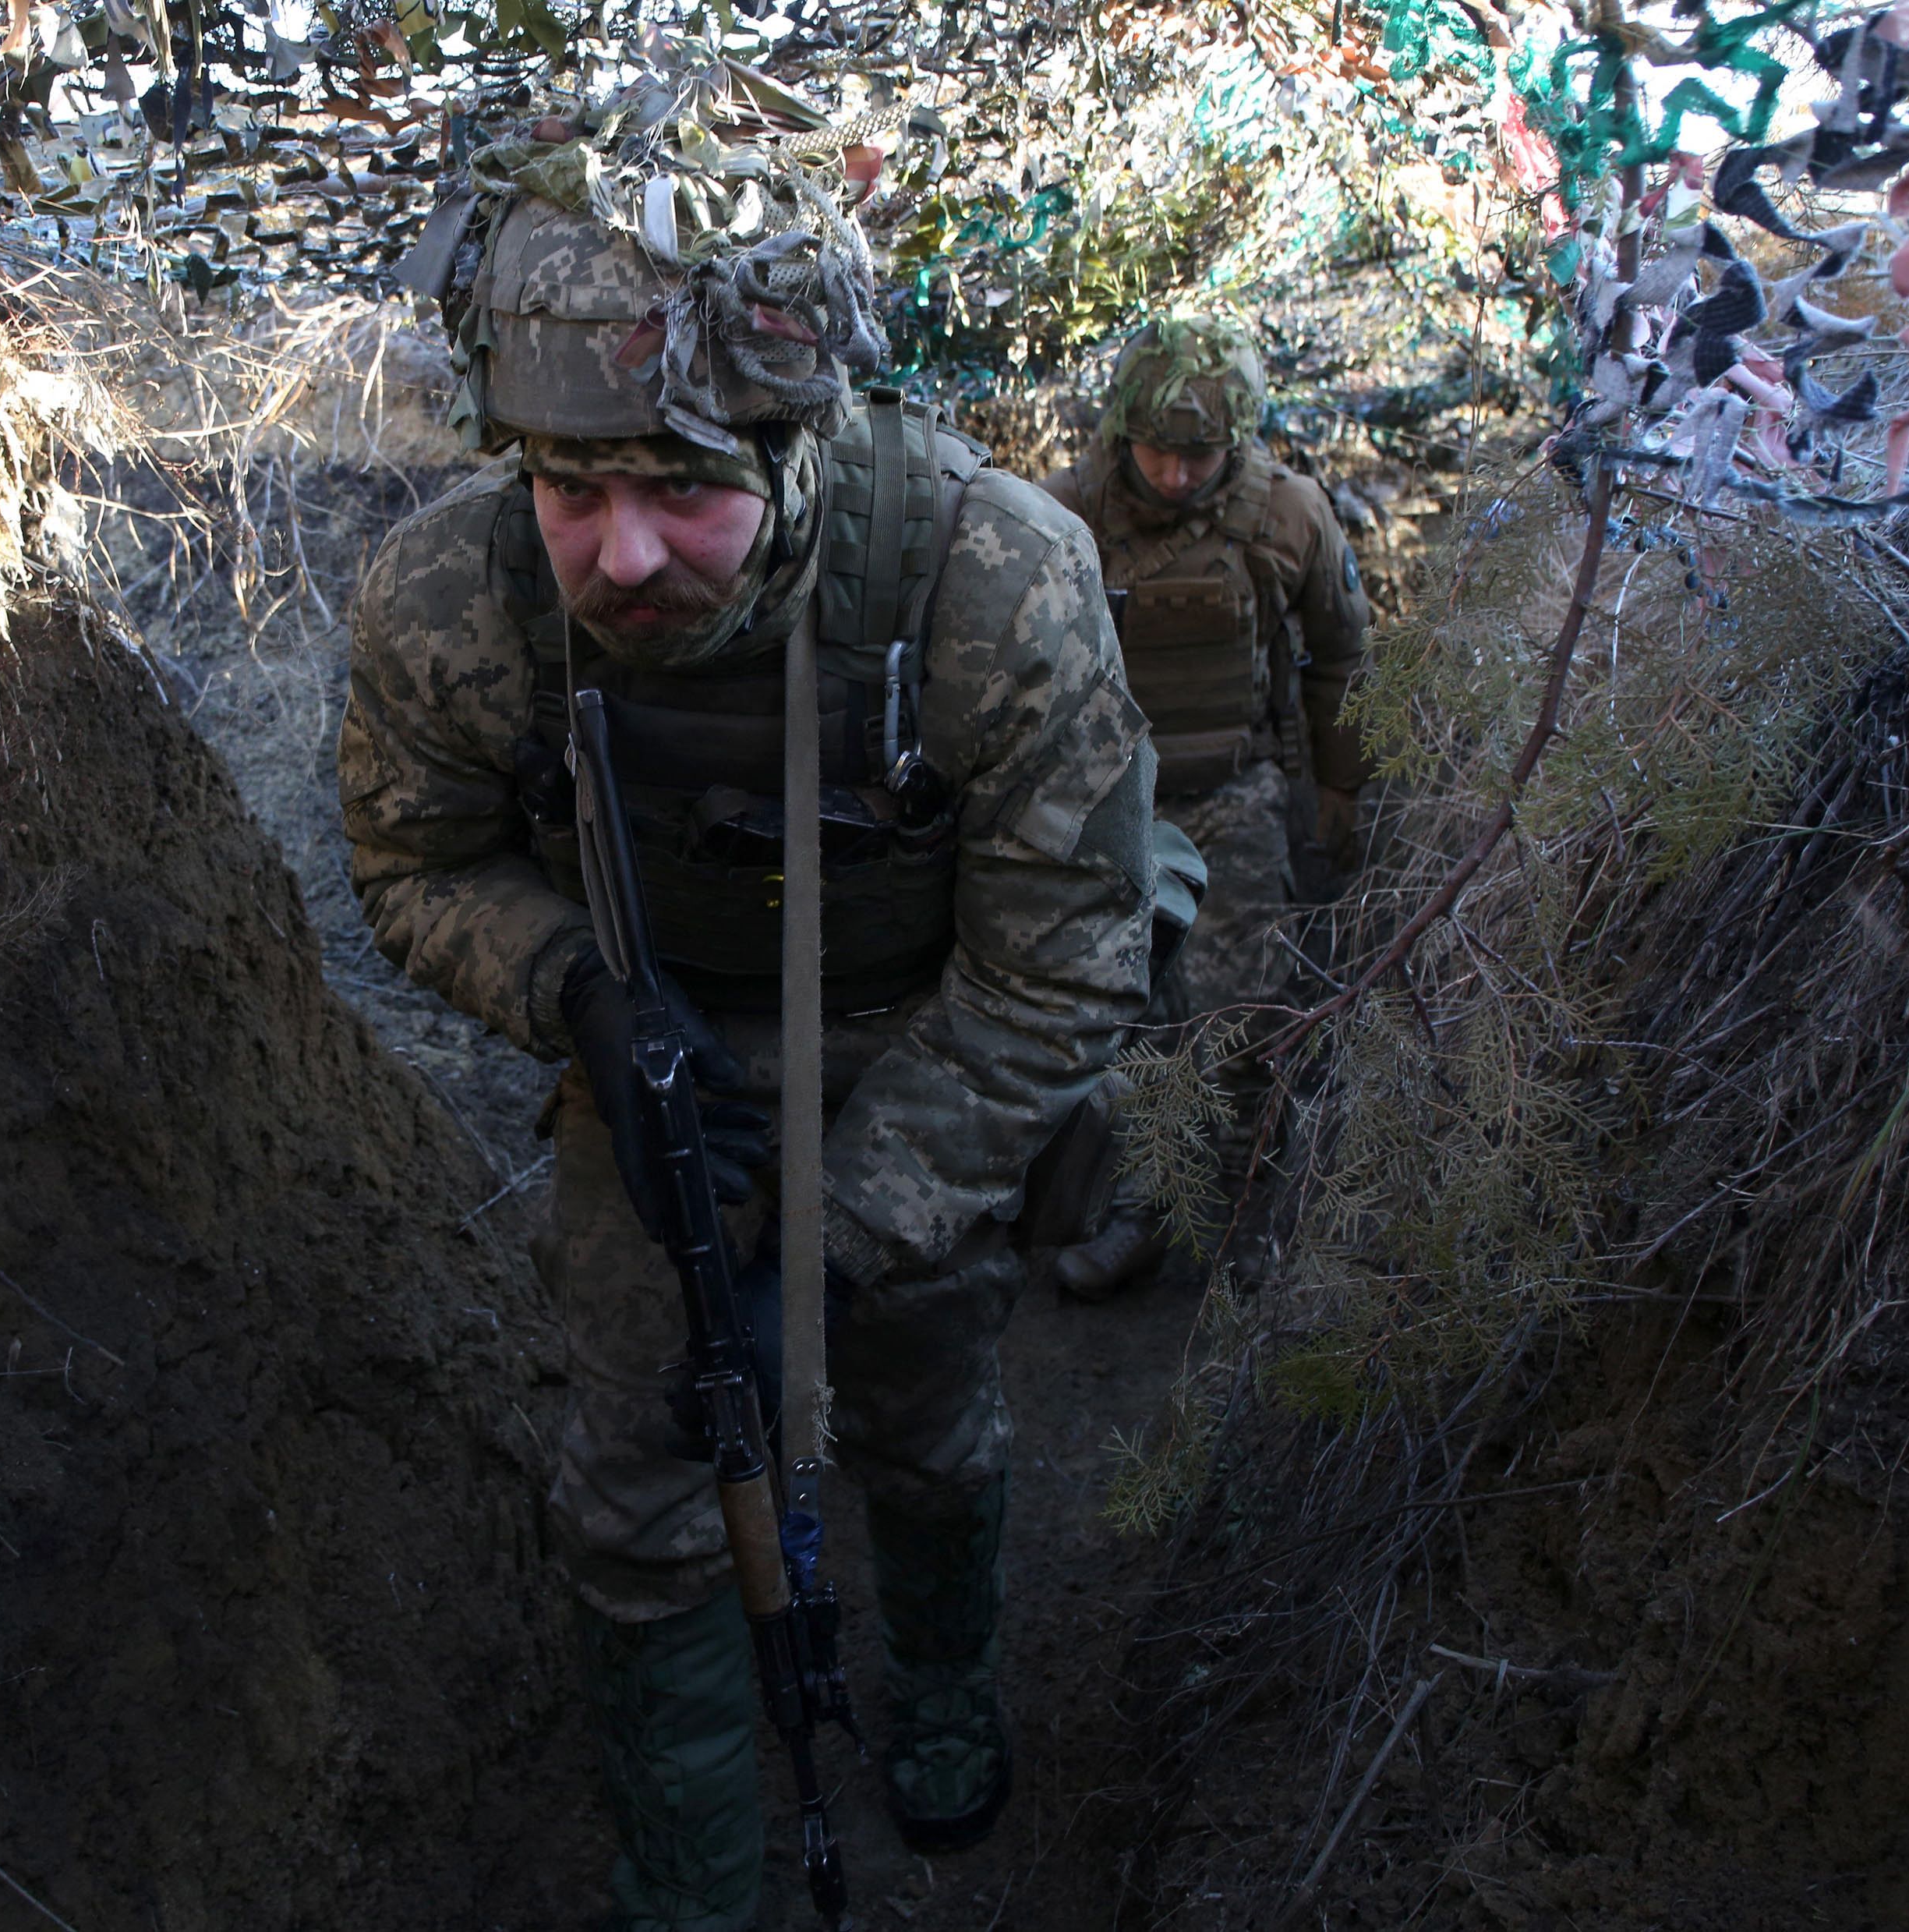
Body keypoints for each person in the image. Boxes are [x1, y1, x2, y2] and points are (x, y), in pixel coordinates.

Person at [339, 104, 1158, 1932]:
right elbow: (412, 864)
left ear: (803, 448)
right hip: (655, 1081)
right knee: (642, 1505)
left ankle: (940, 1686)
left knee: (926, 1433)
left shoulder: (988, 584)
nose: (621, 557)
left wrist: (859, 1229)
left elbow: (1069, 957)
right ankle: (694, 1876)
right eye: (572, 492)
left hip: (931, 1059)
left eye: (682, 489)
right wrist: (573, 993)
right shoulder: (458, 597)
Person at [1036, 317, 1372, 1300]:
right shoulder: (1059, 516)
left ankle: (1246, 1215)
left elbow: (1343, 660)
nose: (1178, 477)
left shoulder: (1289, 517)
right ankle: (1139, 1207)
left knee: (1237, 1016)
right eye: (1158, 453)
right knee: (1120, 1021)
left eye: (1200, 456)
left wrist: (1340, 790)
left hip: (1235, 794)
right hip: (1105, 807)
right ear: (1118, 432)